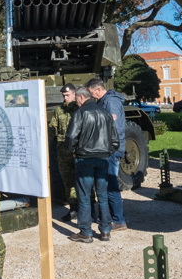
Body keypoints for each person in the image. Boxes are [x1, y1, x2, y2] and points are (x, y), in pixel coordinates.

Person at [65, 86, 118, 243]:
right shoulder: (106, 114)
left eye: (76, 99)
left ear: (81, 97)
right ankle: (106, 231)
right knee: (102, 195)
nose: (76, 102)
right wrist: (107, 152)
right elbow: (115, 140)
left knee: (84, 196)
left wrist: (73, 152)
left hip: (85, 159)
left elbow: (71, 137)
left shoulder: (80, 113)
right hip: (103, 159)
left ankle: (86, 232)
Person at [85, 77, 128, 232]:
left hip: (111, 150)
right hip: (108, 149)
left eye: (92, 93)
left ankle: (119, 220)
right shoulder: (105, 101)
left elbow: (113, 128)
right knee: (107, 184)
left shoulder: (110, 102)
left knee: (110, 184)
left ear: (98, 89)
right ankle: (112, 217)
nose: (91, 96)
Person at [48, 84, 78, 216]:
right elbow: (52, 128)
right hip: (63, 152)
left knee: (83, 181)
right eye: (63, 96)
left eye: (67, 95)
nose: (65, 98)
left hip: (77, 151)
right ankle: (72, 208)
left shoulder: (80, 109)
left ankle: (88, 209)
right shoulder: (59, 110)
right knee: (67, 181)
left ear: (74, 94)